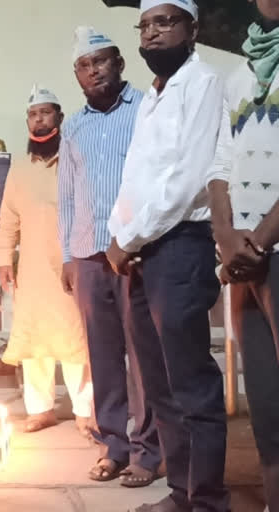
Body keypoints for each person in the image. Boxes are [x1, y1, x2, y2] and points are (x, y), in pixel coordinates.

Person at [105, 1, 230, 510]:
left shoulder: (202, 83)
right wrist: (123, 238)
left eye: (166, 21)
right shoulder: (153, 96)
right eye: (146, 25)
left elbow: (186, 181)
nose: (153, 34)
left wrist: (126, 239)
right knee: (159, 386)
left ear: (192, 28)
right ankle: (181, 492)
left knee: (191, 385)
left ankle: (206, 501)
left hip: (179, 246)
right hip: (141, 253)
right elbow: (135, 180)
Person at [59, 27, 161, 487]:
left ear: (120, 63)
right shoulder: (74, 126)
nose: (94, 70)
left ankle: (148, 451)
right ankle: (114, 446)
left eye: (101, 61)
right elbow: (66, 196)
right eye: (85, 64)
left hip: (134, 251)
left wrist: (143, 238)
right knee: (101, 357)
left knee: (143, 355)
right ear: (77, 75)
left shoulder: (145, 109)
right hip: (87, 255)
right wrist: (67, 254)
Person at [207, 1, 279, 509]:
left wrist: (264, 237)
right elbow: (220, 161)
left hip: (272, 248)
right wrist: (227, 236)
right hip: (245, 258)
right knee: (266, 402)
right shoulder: (240, 75)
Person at [0, 86, 94, 438]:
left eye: (46, 113)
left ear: (59, 118)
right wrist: (5, 258)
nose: (39, 119)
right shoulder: (20, 170)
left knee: (74, 339)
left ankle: (84, 410)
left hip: (71, 266)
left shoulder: (75, 161)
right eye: (33, 114)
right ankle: (40, 410)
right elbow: (8, 218)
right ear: (28, 122)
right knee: (34, 342)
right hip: (33, 270)